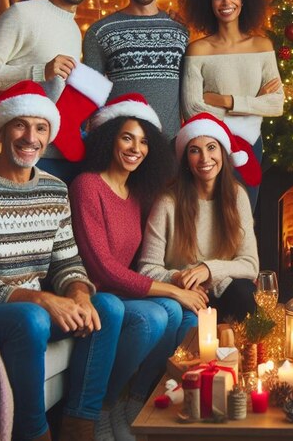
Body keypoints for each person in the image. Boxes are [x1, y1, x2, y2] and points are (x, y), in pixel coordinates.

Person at [0, 81, 124, 441]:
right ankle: (32, 432)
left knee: (107, 308)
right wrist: (39, 298)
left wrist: (78, 294)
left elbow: (67, 262)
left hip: (31, 311)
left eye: (41, 127)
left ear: (49, 135)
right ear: (2, 128)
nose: (30, 136)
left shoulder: (54, 188)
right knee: (32, 317)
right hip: (6, 311)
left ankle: (80, 425)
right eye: (20, 124)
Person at [69, 94, 204, 440]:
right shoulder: (88, 186)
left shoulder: (136, 194)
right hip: (92, 292)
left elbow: (147, 259)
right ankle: (104, 406)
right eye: (127, 137)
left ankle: (134, 400)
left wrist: (183, 278)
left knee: (174, 313)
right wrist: (172, 289)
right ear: (109, 137)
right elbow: (102, 269)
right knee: (156, 316)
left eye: (144, 141)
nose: (136, 148)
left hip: (124, 292)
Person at [0, 0, 102, 179]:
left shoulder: (73, 29)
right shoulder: (23, 13)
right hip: (26, 152)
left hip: (63, 152)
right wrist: (40, 70)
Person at [179, 0, 284, 210]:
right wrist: (252, 103)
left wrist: (226, 101)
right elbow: (192, 107)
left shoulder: (262, 46)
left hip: (252, 142)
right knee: (210, 214)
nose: (226, 3)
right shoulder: (198, 50)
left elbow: (276, 102)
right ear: (209, 3)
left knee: (245, 214)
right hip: (211, 144)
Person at [138, 112, 261, 322]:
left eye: (211, 147)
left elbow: (250, 264)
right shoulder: (168, 202)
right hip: (183, 292)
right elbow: (146, 269)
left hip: (223, 288)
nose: (205, 158)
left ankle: (244, 353)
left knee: (245, 291)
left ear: (222, 152)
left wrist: (208, 270)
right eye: (195, 151)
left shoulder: (237, 195)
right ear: (186, 159)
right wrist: (178, 277)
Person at [84, 0, 189, 140]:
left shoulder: (180, 29)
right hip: (119, 143)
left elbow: (188, 91)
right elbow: (89, 95)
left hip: (169, 144)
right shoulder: (100, 31)